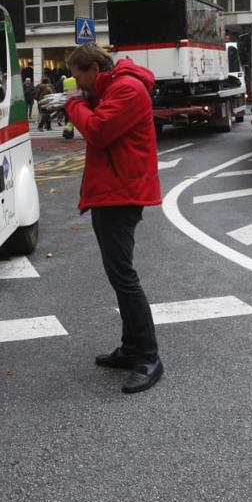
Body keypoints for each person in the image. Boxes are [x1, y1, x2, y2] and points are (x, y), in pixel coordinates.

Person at [54, 44, 163, 394]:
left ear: (93, 68)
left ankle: (149, 356)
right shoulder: (114, 87)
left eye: (78, 77)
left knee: (124, 277)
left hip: (121, 194)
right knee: (119, 276)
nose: (78, 85)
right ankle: (132, 347)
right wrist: (80, 102)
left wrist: (74, 104)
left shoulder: (126, 89)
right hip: (113, 192)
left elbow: (98, 131)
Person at [60, 70, 78, 139]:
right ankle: (68, 132)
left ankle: (69, 133)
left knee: (68, 118)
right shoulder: (78, 80)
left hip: (68, 102)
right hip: (77, 101)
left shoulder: (66, 81)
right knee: (73, 119)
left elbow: (65, 92)